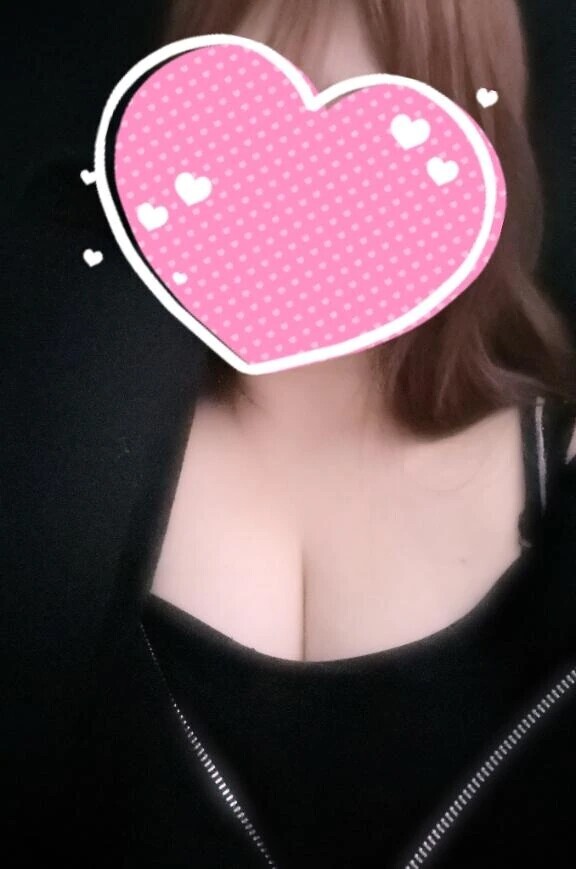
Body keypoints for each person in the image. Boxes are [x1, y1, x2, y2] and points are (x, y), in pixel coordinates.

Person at [2, 1, 576, 866]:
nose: (287, 197)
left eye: (367, 148)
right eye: (232, 130)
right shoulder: (59, 436)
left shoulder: (556, 476)